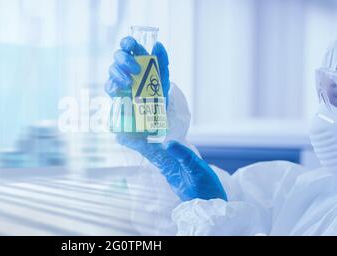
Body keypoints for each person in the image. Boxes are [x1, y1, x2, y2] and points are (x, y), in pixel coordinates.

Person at [105, 37, 337, 236]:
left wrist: (214, 220)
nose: (323, 114)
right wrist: (162, 140)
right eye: (329, 93)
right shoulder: (308, 193)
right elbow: (229, 207)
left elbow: (219, 220)